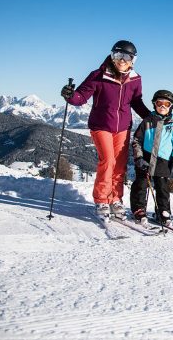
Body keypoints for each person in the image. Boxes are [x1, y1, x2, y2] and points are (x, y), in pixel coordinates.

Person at [61, 40, 149, 219]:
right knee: (108, 160)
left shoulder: (135, 79)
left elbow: (136, 102)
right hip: (101, 125)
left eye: (127, 57)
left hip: (123, 127)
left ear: (133, 60)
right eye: (118, 55)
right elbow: (81, 97)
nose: (122, 60)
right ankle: (101, 199)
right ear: (112, 55)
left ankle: (115, 198)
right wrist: (71, 96)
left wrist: (150, 117)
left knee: (119, 165)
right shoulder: (98, 75)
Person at [130, 90, 173, 226]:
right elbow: (137, 140)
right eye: (159, 103)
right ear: (154, 104)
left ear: (171, 106)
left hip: (163, 160)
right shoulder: (147, 121)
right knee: (141, 184)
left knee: (162, 187)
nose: (162, 106)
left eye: (166, 104)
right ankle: (139, 209)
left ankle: (163, 211)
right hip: (146, 159)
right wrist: (139, 158)